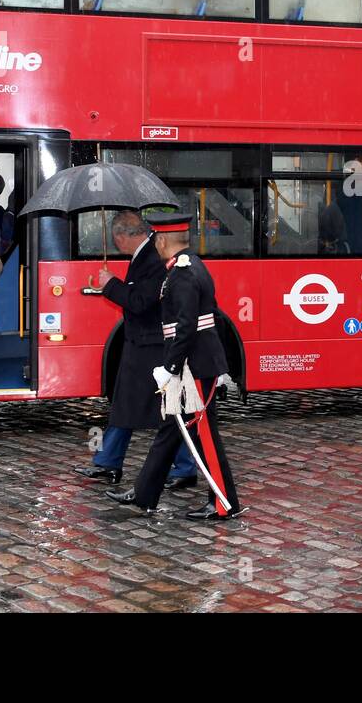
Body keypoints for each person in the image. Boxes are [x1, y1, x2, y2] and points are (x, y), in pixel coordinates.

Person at [109, 210, 243, 519]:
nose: (153, 244)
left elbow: (186, 328)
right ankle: (145, 495)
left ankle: (224, 503)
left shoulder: (183, 274)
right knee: (170, 430)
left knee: (206, 435)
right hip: (192, 364)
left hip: (194, 367)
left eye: (156, 238)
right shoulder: (184, 268)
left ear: (164, 240)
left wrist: (169, 368)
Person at [75, 211, 197, 488]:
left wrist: (111, 285)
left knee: (163, 409)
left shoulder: (153, 256)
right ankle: (109, 462)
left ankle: (184, 468)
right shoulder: (146, 253)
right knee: (127, 405)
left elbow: (142, 301)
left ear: (121, 237)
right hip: (141, 342)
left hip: (151, 344)